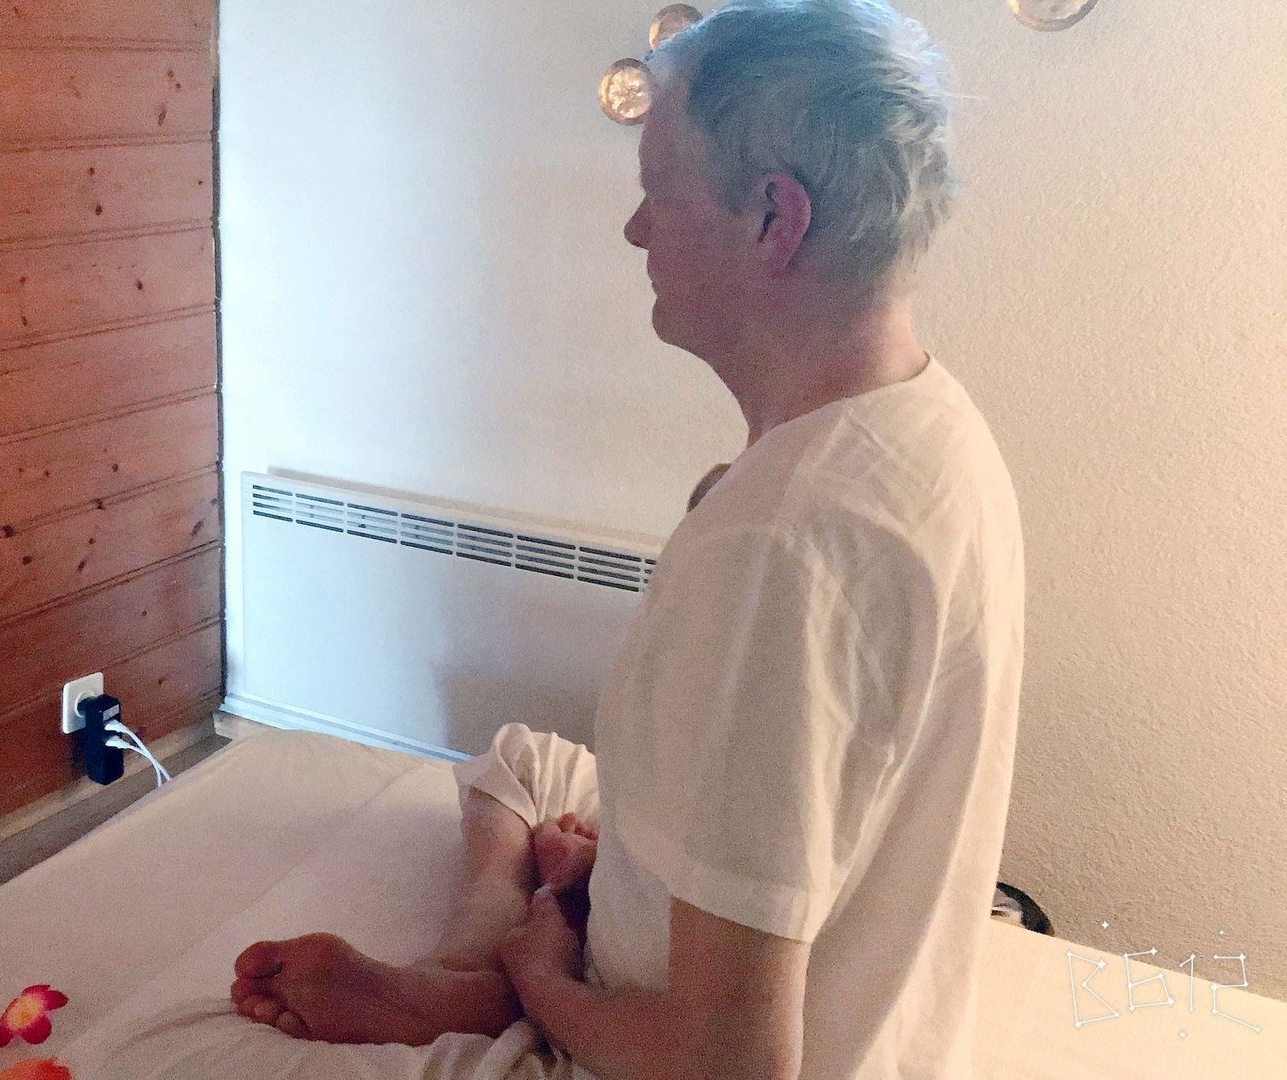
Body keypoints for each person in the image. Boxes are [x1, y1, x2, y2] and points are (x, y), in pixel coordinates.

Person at [93, 2, 1024, 1077]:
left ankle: (484, 987)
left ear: (774, 217)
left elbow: (730, 1066)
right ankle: (479, 960)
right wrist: (617, 879)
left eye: (657, 189)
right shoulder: (927, 425)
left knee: (144, 1056)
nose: (635, 230)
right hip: (843, 992)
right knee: (526, 764)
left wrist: (545, 979)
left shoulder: (781, 549)